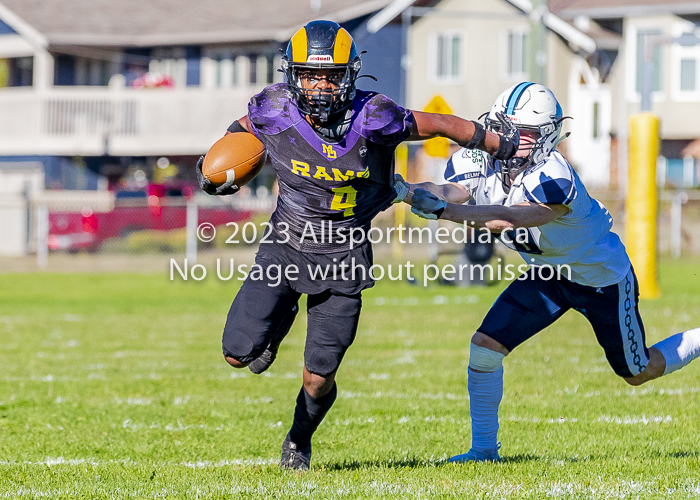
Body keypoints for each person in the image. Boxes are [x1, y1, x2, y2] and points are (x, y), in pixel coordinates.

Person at [196, 20, 521, 470]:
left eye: (331, 76)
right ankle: (282, 315)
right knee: (237, 354)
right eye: (311, 75)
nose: (321, 86)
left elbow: (441, 123)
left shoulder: (376, 117)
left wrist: (499, 145)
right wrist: (216, 166)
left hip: (344, 257)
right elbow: (243, 129)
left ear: (350, 75)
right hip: (286, 246)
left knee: (317, 378)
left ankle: (298, 440)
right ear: (294, 75)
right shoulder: (273, 108)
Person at [396, 82, 700, 462]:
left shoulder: (555, 176)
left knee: (637, 372)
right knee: (485, 349)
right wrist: (406, 190)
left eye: (520, 134)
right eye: (502, 128)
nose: (507, 140)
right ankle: (484, 450)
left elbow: (509, 218)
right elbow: (449, 190)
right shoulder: (476, 159)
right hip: (547, 274)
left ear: (546, 137)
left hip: (599, 279)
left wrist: (444, 212)